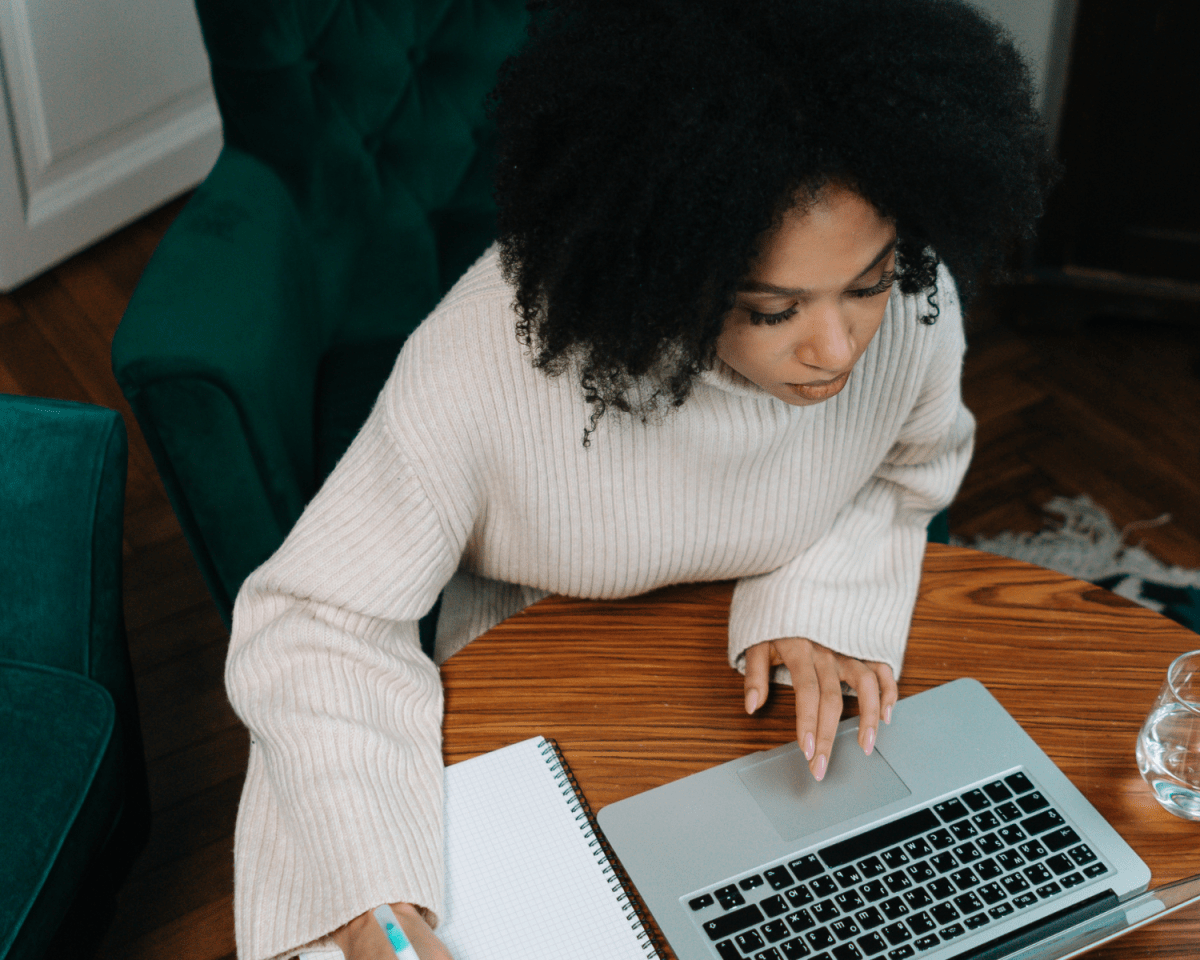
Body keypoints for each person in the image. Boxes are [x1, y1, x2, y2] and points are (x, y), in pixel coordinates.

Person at [223, 1, 1054, 958]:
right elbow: (316, 622)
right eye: (776, 309)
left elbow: (910, 471)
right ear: (674, 272)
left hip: (766, 724)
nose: (838, 348)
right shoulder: (488, 357)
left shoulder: (912, 299)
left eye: (863, 283)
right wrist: (375, 904)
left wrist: (815, 588)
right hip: (536, 691)